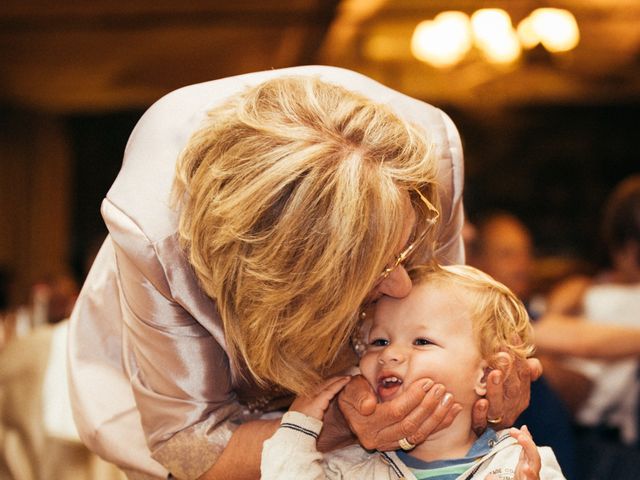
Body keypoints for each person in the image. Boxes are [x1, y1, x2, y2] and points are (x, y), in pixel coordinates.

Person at [67, 66, 539, 480]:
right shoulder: (156, 239)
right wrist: (332, 425)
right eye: (372, 272)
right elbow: (195, 450)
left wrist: (475, 390)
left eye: (403, 252)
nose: (402, 286)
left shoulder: (430, 159)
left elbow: (450, 324)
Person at [261, 264, 565, 479]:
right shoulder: (350, 468)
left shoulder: (519, 465)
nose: (389, 354)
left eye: (421, 341)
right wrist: (296, 432)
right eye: (378, 341)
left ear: (485, 376)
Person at [467, 212, 577, 479]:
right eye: (507, 254)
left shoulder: (522, 310)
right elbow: (564, 336)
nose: (522, 264)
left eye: (526, 253)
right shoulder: (476, 320)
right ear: (476, 261)